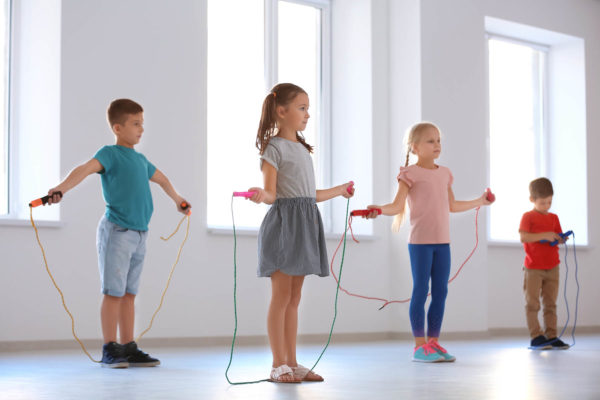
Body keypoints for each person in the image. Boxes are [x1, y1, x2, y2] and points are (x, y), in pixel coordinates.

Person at [45, 98, 190, 368]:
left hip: (140, 234)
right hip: (117, 231)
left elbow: (163, 180)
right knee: (113, 291)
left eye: (142, 124)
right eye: (135, 124)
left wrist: (178, 199)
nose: (141, 129)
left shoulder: (141, 160)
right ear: (118, 127)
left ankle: (128, 346)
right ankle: (110, 348)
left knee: (129, 294)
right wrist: (61, 188)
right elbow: (84, 170)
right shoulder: (109, 154)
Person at [248, 83, 354, 382]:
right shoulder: (274, 148)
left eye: (308, 108)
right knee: (281, 296)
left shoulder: (302, 150)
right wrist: (260, 194)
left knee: (294, 298)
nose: (308, 114)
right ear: (281, 111)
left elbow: (310, 195)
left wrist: (340, 191)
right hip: (285, 227)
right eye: (302, 108)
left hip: (306, 222)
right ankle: (277, 363)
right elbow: (272, 193)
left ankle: (292, 363)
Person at [363, 122, 492, 362]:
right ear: (415, 147)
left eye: (439, 140)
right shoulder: (409, 173)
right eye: (430, 141)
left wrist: (479, 201)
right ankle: (419, 346)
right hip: (420, 243)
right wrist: (378, 209)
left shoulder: (445, 174)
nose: (437, 145)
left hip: (443, 242)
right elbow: (395, 206)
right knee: (421, 291)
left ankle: (434, 342)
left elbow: (452, 206)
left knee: (441, 292)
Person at [518, 177, 570, 350]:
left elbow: (556, 236)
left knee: (551, 303)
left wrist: (561, 239)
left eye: (549, 202)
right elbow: (524, 237)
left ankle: (552, 336)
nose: (547, 206)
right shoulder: (528, 217)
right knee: (532, 303)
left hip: (553, 266)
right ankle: (536, 336)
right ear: (532, 200)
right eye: (543, 203)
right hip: (533, 268)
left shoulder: (554, 218)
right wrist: (545, 235)